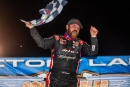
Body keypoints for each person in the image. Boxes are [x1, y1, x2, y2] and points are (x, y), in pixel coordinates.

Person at [25, 18, 98, 87]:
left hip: (72, 79)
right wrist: (32, 28)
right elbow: (42, 43)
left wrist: (94, 37)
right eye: (74, 26)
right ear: (67, 26)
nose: (76, 28)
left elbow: (93, 52)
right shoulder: (57, 39)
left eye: (78, 28)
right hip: (55, 78)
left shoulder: (81, 43)